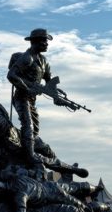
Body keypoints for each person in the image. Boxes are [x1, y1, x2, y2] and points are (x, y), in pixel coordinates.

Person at [7, 28, 67, 166]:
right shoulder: (27, 58)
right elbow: (11, 75)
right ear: (36, 41)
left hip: (32, 100)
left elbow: (49, 83)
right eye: (44, 41)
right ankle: (30, 157)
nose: (47, 44)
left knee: (34, 131)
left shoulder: (44, 60)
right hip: (22, 97)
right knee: (28, 125)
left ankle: (27, 152)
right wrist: (27, 88)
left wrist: (56, 96)